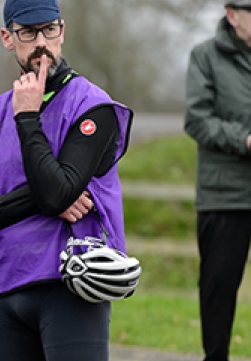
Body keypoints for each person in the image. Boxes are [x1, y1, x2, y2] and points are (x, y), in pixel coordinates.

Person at [0, 0, 134, 360]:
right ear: (8, 38)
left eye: (49, 29)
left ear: (62, 31)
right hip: (7, 291)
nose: (41, 41)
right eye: (28, 32)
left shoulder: (93, 105)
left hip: (72, 288)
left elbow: (57, 195)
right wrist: (46, 195)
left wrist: (27, 117)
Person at [184, 1, 251, 360]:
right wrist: (244, 139)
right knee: (218, 291)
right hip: (225, 196)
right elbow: (196, 119)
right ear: (232, 14)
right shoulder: (205, 57)